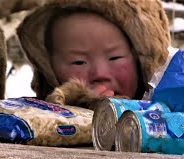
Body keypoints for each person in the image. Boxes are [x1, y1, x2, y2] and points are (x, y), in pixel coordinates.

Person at [17, 0, 170, 109]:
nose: (100, 73)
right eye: (78, 62)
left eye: (114, 58)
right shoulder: (33, 124)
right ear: (49, 69)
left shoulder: (179, 114)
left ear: (141, 62)